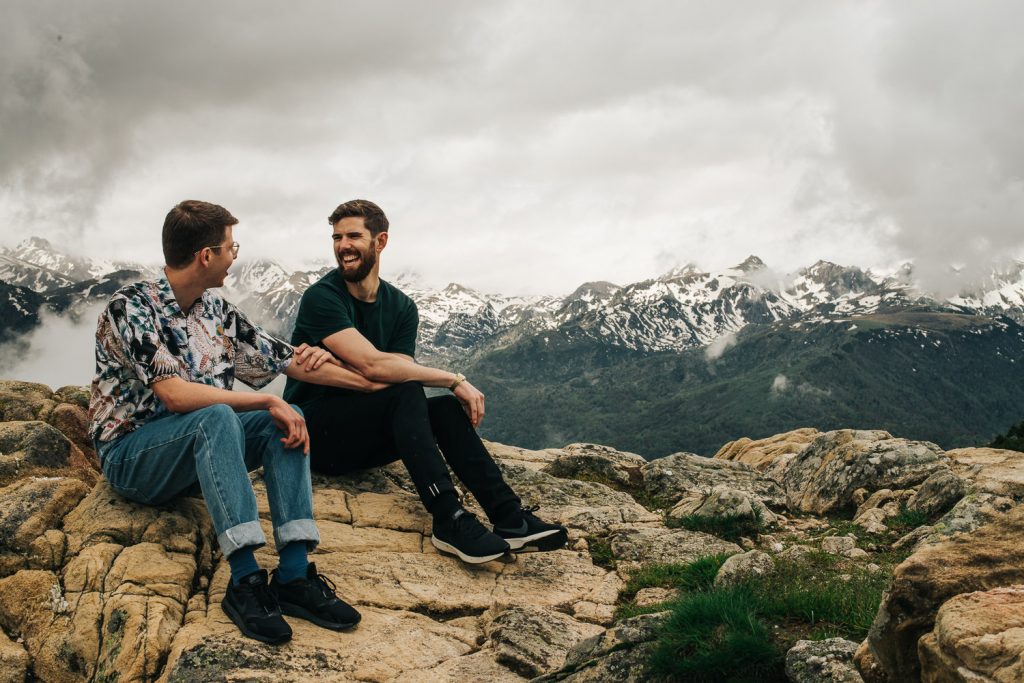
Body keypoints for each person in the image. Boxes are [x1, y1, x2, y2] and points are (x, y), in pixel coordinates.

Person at [89, 200, 380, 645]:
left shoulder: (216, 312)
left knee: (289, 417)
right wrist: (264, 399)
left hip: (196, 456)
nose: (234, 255)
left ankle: (295, 575)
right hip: (133, 458)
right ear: (206, 255)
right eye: (230, 247)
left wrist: (370, 381)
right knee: (220, 415)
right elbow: (173, 393)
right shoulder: (130, 308)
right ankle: (244, 580)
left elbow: (287, 361)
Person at [284, 199, 568, 564]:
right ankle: (447, 517)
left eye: (353, 236)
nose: (343, 246)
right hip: (315, 435)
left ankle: (509, 517)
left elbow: (392, 370)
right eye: (337, 237)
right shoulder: (321, 298)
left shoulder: (401, 306)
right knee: (410, 390)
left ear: (380, 241)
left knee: (444, 409)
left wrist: (342, 361)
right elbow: (378, 368)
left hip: (365, 433)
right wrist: (452, 378)